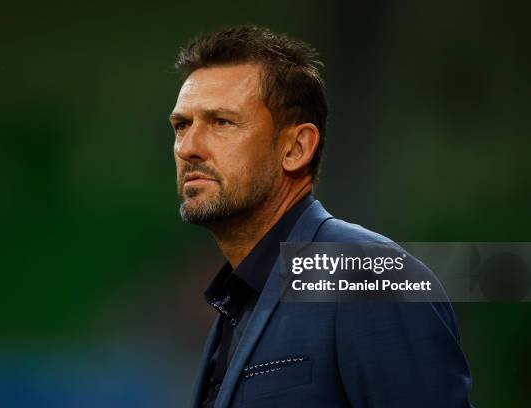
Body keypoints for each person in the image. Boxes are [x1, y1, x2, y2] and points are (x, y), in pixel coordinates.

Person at [170, 25, 473, 408]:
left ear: (296, 148)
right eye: (182, 126)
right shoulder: (238, 297)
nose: (189, 148)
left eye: (221, 122)